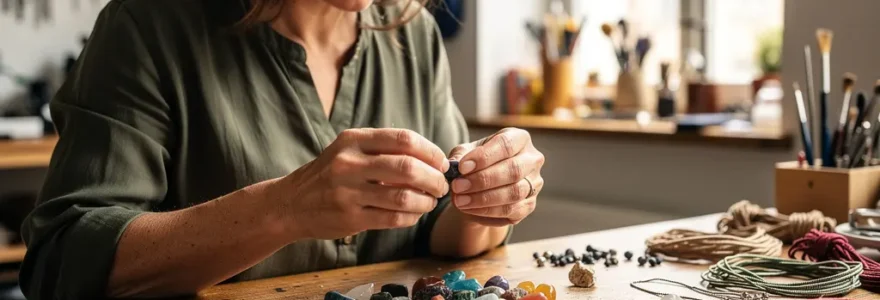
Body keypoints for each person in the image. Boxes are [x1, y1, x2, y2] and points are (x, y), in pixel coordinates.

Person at [18, 0, 546, 299]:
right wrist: (283, 209)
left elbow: (443, 232)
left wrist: (489, 199)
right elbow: (63, 260)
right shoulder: (147, 27)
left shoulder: (414, 35)